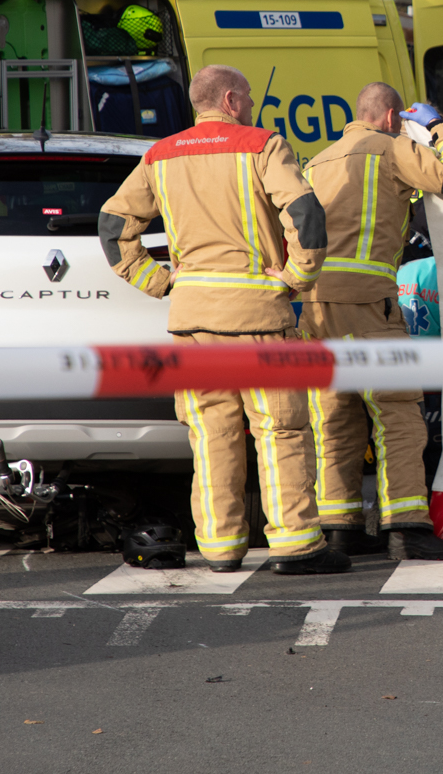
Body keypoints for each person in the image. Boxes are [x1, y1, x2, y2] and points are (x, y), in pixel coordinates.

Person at [99, 65, 347, 575]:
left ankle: (219, 548)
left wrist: (160, 281)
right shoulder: (262, 145)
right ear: (231, 100)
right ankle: (297, 545)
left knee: (212, 434)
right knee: (281, 430)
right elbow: (305, 214)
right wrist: (298, 275)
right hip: (259, 315)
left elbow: (113, 226)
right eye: (250, 97)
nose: (253, 106)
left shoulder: (160, 155)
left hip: (192, 322)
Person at [300, 82, 443, 560]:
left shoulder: (317, 160)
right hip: (369, 304)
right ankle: (406, 526)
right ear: (394, 116)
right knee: (396, 413)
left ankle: (340, 527)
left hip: (316, 306)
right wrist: (442, 128)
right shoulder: (392, 148)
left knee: (335, 415)